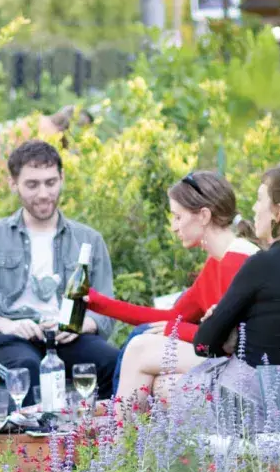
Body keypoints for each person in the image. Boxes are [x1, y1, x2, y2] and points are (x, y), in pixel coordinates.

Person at [0, 139, 118, 402]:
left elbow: (107, 310)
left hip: (66, 335)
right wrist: (6, 325)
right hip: (10, 336)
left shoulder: (89, 239)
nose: (44, 194)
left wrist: (79, 326)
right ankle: (32, 442)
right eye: (32, 185)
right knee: (26, 368)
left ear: (62, 178)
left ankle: (101, 440)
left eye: (50, 182)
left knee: (112, 362)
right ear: (14, 184)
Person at [88, 170, 259, 402]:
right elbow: (170, 317)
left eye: (178, 217)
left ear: (204, 215)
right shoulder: (217, 262)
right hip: (228, 362)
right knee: (155, 369)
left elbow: (231, 341)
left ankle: (117, 430)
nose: (173, 227)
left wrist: (176, 329)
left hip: (248, 372)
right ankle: (122, 430)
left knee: (141, 347)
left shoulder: (237, 258)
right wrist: (96, 302)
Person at [191, 164, 280, 386]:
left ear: (278, 212)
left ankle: (121, 421)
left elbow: (203, 344)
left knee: (161, 381)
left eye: (260, 200)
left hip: (249, 400)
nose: (255, 208)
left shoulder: (261, 264)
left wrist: (222, 325)